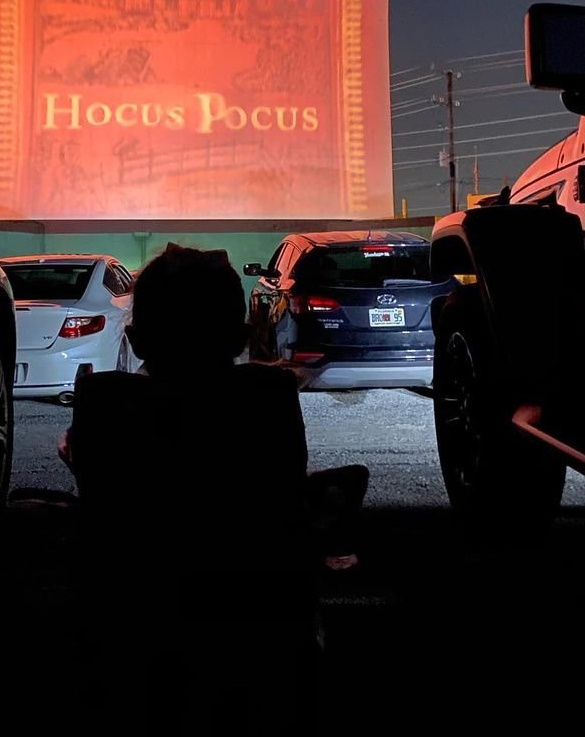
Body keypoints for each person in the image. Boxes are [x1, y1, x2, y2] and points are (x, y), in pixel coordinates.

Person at [59, 242, 368, 732]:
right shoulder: (268, 401)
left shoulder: (106, 407)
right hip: (257, 639)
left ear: (136, 340)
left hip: (131, 637)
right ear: (242, 336)